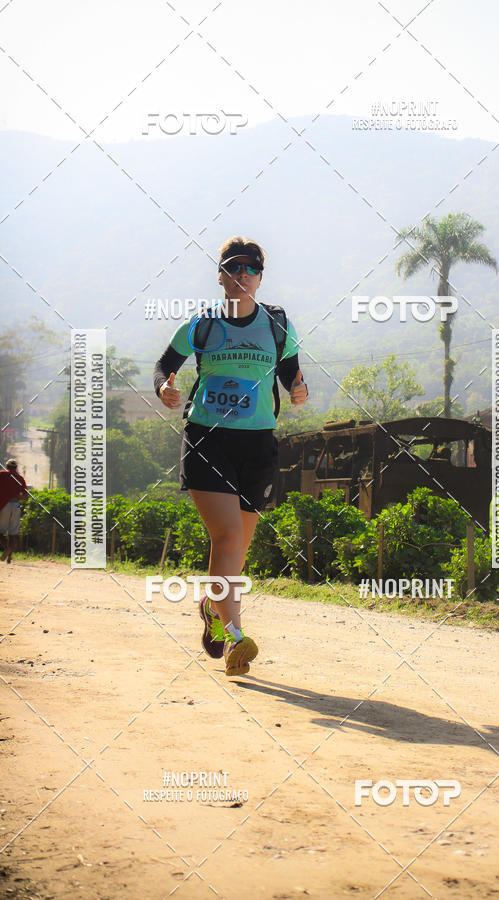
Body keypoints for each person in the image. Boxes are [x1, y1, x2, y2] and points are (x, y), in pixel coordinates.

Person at [153, 237, 308, 676]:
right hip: (208, 440)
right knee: (225, 539)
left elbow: (290, 372)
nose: (242, 275)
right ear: (220, 276)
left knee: (239, 547)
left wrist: (298, 388)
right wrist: (164, 386)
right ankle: (237, 637)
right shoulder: (202, 324)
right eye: (232, 268)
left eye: (250, 269)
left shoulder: (277, 325)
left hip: (259, 443)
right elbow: (166, 363)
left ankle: (210, 607)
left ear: (260, 277)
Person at [0, 459, 28, 563]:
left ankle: (6, 546)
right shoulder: (20, 478)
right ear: (16, 468)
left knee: (0, 532)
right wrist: (16, 495)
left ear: (7, 467)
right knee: (12, 533)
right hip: (16, 506)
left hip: (4, 506)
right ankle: (9, 557)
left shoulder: (2, 474)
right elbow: (26, 497)